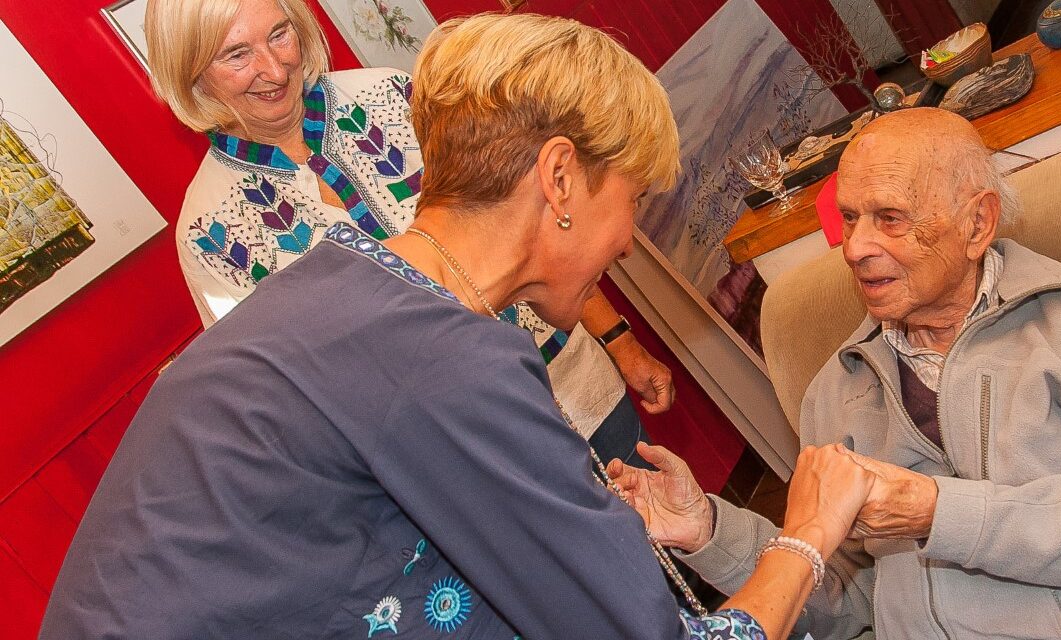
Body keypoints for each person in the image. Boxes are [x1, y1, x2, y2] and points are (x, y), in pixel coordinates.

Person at [39, 13, 880, 639]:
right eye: (630, 199)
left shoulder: (361, 291)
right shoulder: (443, 360)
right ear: (558, 179)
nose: (627, 241)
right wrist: (809, 532)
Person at [611, 108, 1061, 639]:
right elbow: (847, 599)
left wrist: (936, 510)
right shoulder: (835, 394)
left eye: (891, 218)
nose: (854, 248)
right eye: (850, 218)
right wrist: (710, 531)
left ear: (977, 224)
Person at [150, 0, 671, 468]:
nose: (273, 67)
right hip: (478, 458)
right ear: (192, 73)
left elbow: (544, 216)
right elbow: (295, 396)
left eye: (279, 33)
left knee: (667, 532)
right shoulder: (208, 231)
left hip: (584, 392)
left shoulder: (391, 94)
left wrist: (619, 340)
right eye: (237, 54)